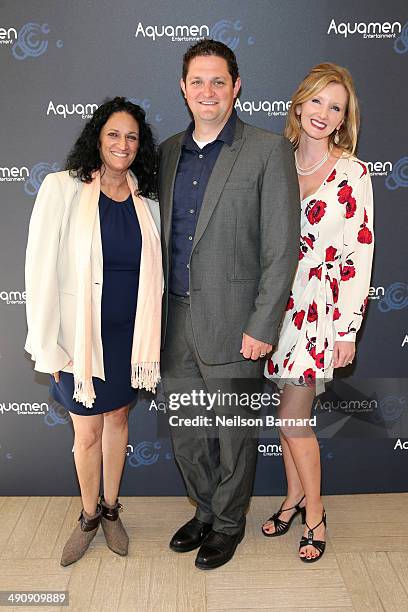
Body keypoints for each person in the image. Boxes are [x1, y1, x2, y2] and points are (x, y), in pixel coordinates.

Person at [158, 40, 300, 570]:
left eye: (219, 81)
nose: (208, 91)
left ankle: (228, 523)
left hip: (237, 325)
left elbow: (281, 248)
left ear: (236, 87)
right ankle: (204, 510)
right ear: (184, 88)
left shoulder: (267, 149)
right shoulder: (168, 151)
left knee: (234, 435)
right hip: (174, 322)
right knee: (187, 433)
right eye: (198, 81)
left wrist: (263, 324)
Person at [25, 97, 162, 566]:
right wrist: (52, 346)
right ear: (97, 139)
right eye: (113, 134)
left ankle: (110, 509)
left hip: (128, 339)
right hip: (78, 344)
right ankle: (87, 516)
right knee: (86, 435)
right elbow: (39, 273)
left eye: (131, 137)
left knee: (119, 422)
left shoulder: (148, 201)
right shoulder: (62, 189)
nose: (122, 144)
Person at [262, 64, 374, 562]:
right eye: (317, 102)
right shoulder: (273, 160)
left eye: (336, 107)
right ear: (299, 104)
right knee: (288, 415)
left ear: (344, 118)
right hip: (273, 308)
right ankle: (292, 497)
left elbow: (358, 254)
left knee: (293, 417)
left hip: (318, 310)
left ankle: (315, 515)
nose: (324, 114)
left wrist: (348, 329)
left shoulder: (352, 172)